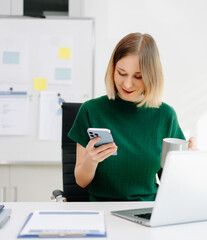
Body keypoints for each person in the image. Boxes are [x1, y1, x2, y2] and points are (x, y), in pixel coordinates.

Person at [68, 32, 197, 201]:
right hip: (103, 210)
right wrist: (91, 160)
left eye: (138, 77)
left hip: (148, 211)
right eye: (121, 73)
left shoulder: (165, 116)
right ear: (113, 69)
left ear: (151, 77)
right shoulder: (91, 111)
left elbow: (172, 182)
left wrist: (191, 162)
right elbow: (81, 181)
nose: (127, 84)